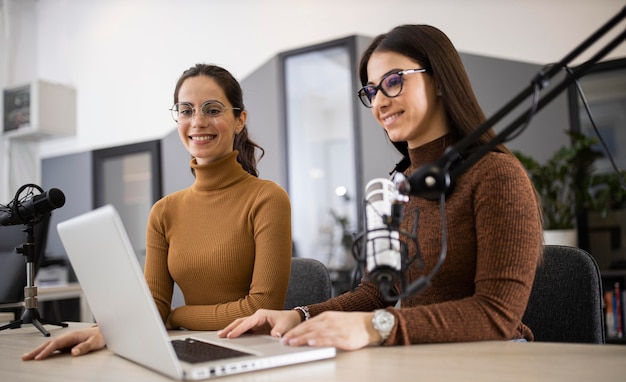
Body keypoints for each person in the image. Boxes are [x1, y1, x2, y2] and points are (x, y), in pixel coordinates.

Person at [217, 25, 543, 351]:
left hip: (495, 361)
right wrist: (300, 316)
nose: (379, 103)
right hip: (426, 361)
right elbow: (377, 293)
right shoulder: (401, 185)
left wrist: (376, 327)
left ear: (441, 80)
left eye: (393, 81)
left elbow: (497, 314)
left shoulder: (496, 175)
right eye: (372, 91)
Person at [22, 64, 292, 360]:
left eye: (212, 110)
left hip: (252, 355)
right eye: (186, 110)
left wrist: (178, 317)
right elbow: (154, 303)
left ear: (240, 119)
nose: (197, 122)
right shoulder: (164, 211)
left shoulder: (267, 198)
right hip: (189, 350)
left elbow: (260, 310)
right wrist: (107, 331)